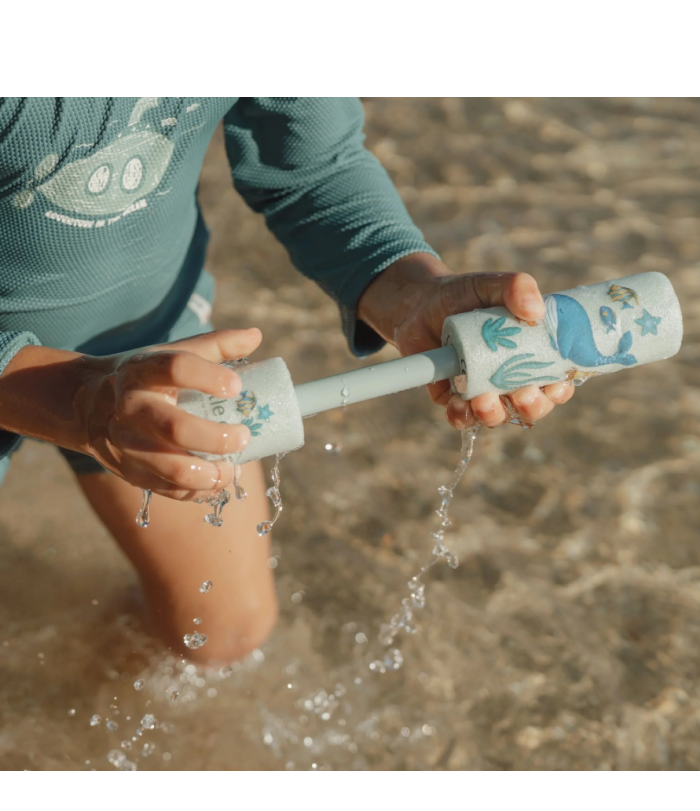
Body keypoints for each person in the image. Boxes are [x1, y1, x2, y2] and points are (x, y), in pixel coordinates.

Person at [0, 98, 574, 663]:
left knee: (225, 631)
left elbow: (312, 168)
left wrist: (412, 293)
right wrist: (77, 402)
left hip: (156, 345)